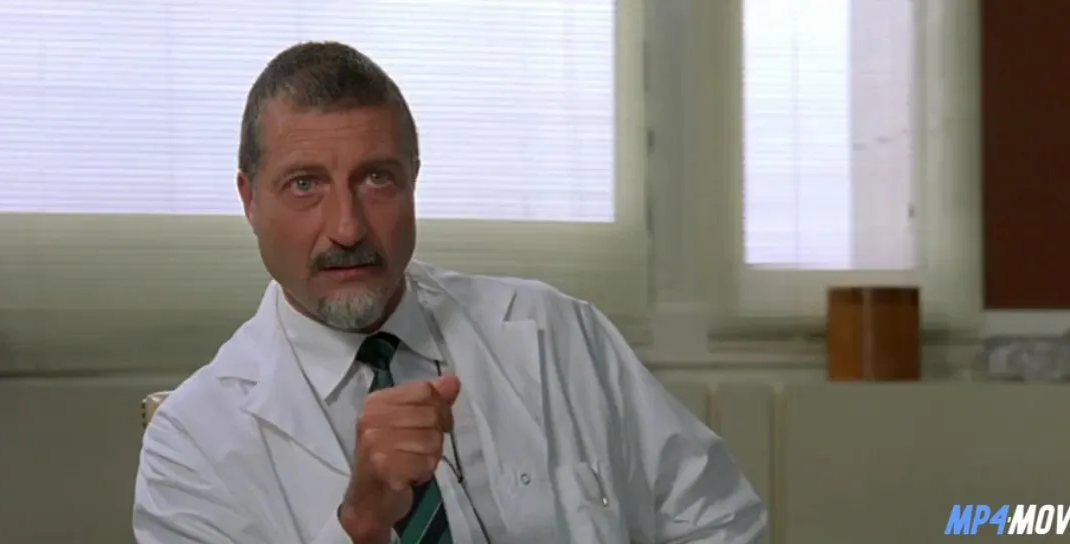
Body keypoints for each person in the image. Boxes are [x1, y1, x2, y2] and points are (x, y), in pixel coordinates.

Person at [132, 41, 766, 544]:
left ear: (414, 180)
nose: (347, 227)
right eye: (305, 185)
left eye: (377, 179)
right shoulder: (192, 445)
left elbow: (718, 520)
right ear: (249, 200)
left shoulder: (555, 333)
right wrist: (360, 526)